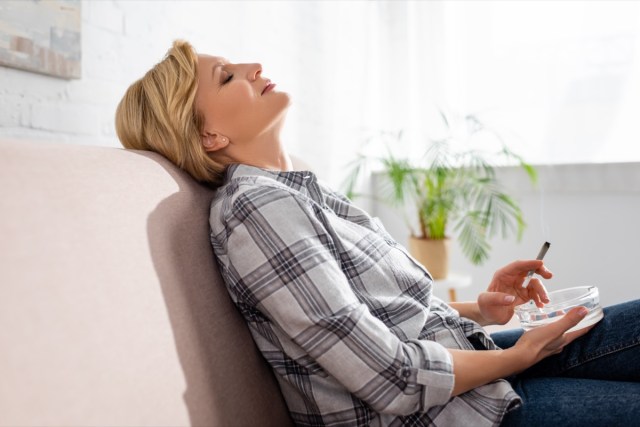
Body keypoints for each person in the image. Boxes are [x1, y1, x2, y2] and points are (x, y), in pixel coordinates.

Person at [115, 40, 640, 426]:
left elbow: (380, 316)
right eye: (228, 77)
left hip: (469, 374)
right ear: (210, 134)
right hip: (440, 415)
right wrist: (517, 356)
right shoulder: (257, 209)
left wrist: (482, 308)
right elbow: (388, 376)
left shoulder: (302, 190)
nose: (254, 66)